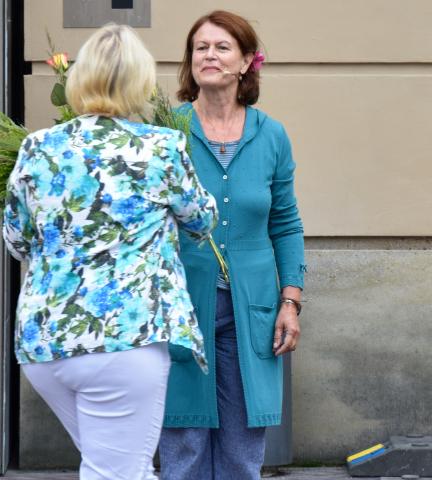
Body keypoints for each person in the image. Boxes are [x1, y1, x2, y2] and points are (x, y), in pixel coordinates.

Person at [2, 23, 218, 480]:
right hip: (125, 339)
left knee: (121, 468)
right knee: (117, 472)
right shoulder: (161, 147)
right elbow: (201, 220)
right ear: (140, 83)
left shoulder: (37, 147)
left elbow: (16, 241)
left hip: (45, 343)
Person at [159, 10, 306, 480]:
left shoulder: (272, 135)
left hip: (254, 307)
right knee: (183, 446)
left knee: (244, 451)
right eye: (200, 47)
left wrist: (291, 301)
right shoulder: (167, 132)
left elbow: (285, 223)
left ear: (245, 62)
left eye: (222, 47)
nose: (209, 55)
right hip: (182, 306)